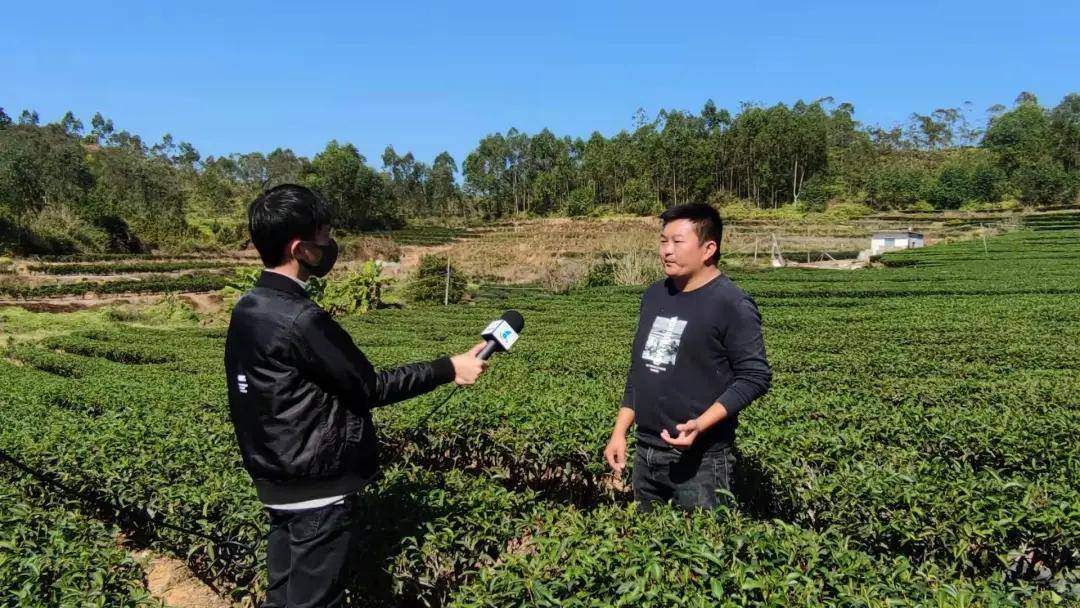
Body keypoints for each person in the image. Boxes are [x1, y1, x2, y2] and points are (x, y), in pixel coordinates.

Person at [224, 184, 487, 607]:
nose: (330, 245)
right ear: (301, 249)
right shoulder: (300, 318)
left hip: (274, 480)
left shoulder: (249, 306)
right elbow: (370, 387)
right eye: (324, 237)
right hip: (316, 489)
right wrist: (448, 367)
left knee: (282, 597)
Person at [604, 203, 772, 511]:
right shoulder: (655, 294)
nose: (666, 250)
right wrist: (619, 432)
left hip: (702, 461)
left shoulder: (731, 303)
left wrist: (700, 424)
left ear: (708, 248)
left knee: (699, 552)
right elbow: (641, 369)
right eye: (663, 241)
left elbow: (755, 376)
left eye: (677, 242)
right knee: (647, 549)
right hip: (646, 452)